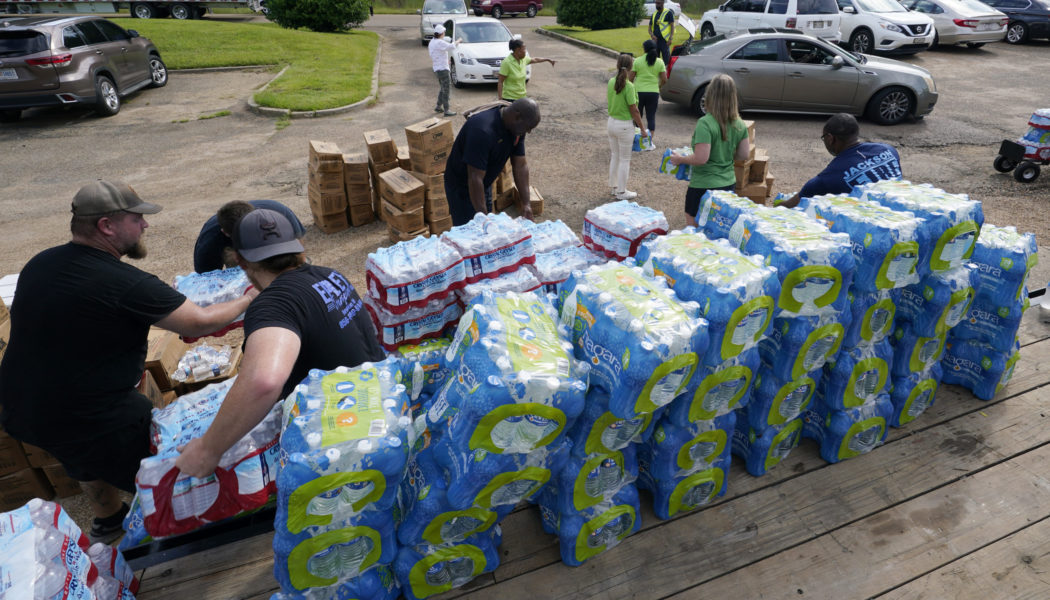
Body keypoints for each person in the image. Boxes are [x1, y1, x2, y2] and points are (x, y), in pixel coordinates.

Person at [0, 180, 255, 543]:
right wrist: (249, 297)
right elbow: (199, 322)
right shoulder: (124, 282)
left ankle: (109, 519)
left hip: (21, 408)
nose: (145, 225)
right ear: (106, 226)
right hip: (90, 413)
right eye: (136, 219)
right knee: (165, 473)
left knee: (79, 452)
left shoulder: (41, 263)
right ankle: (187, 532)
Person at [175, 209, 385, 478]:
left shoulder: (274, 304)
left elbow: (264, 381)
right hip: (380, 407)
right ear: (298, 247)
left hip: (346, 443)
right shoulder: (328, 275)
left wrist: (208, 449)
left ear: (240, 260)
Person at [667, 74, 750, 226]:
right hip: (728, 183)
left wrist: (680, 159)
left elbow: (701, 158)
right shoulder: (739, 124)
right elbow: (744, 154)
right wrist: (724, 153)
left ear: (710, 94)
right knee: (718, 228)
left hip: (703, 185)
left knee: (694, 228)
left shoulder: (705, 123)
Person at [443, 98, 540, 226]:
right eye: (528, 127)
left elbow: (520, 165)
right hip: (462, 187)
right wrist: (483, 219)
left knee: (487, 219)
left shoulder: (516, 129)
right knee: (471, 229)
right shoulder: (482, 130)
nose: (529, 131)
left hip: (483, 182)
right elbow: (474, 177)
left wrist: (526, 204)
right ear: (517, 117)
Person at [776, 113, 903, 208]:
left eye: (824, 138)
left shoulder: (827, 179)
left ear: (830, 138)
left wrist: (777, 206)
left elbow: (789, 206)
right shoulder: (889, 150)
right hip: (901, 207)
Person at [193, 199, 305, 274]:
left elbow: (299, 249)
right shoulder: (210, 241)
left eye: (252, 233)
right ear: (225, 233)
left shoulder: (279, 213)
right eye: (242, 236)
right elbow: (207, 279)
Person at [607, 53, 650, 201]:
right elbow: (634, 109)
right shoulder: (629, 86)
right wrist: (642, 129)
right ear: (631, 66)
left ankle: (614, 187)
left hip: (611, 123)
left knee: (615, 156)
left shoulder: (611, 81)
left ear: (618, 65)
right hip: (624, 125)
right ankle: (622, 191)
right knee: (625, 159)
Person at [631, 39, 667, 147]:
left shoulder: (637, 61)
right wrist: (658, 86)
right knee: (651, 116)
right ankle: (649, 142)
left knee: (638, 115)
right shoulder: (660, 62)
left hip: (639, 92)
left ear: (644, 49)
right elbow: (664, 79)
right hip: (653, 92)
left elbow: (630, 78)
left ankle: (637, 139)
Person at [428, 24, 462, 117]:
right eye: (444, 32)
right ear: (441, 33)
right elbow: (451, 46)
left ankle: (438, 106)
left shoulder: (432, 42)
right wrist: (458, 41)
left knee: (443, 88)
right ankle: (447, 110)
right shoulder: (439, 42)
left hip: (437, 68)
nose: (444, 34)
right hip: (443, 69)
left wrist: (445, 61)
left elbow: (436, 54)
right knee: (446, 89)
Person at [648, 0, 676, 66]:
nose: (657, 5)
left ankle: (666, 72)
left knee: (667, 61)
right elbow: (649, 28)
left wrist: (670, 38)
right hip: (655, 41)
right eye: (656, 3)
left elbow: (672, 27)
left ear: (663, 3)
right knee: (655, 61)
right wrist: (652, 35)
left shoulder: (668, 13)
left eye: (658, 3)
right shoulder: (654, 14)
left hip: (665, 41)